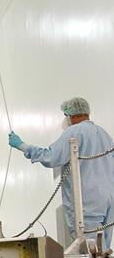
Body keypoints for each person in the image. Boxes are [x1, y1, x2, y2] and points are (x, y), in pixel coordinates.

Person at [9, 96, 114, 247]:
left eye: (65, 115)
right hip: (109, 198)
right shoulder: (105, 135)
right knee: (104, 247)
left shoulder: (74, 132)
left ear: (72, 115)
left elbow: (51, 157)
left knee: (91, 249)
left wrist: (22, 146)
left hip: (87, 199)